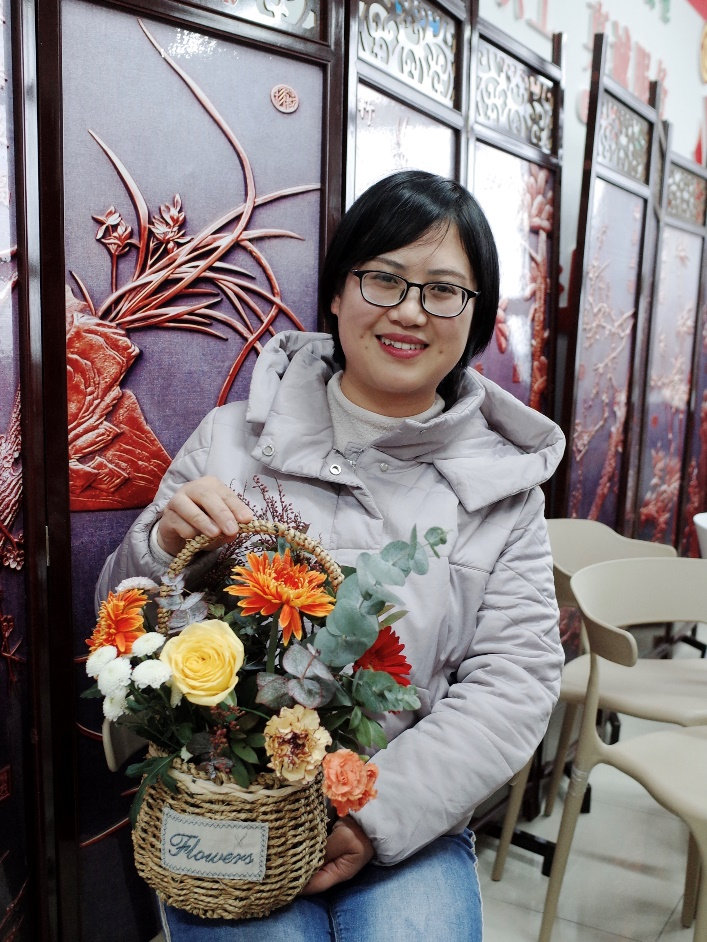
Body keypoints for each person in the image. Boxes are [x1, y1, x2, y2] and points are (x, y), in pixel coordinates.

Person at [97, 170, 565, 941]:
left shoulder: (502, 489)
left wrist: (370, 816)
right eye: (384, 278)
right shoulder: (229, 441)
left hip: (405, 807)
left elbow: (513, 682)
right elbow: (122, 624)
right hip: (231, 800)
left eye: (443, 291)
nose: (409, 311)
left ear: (476, 318)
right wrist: (158, 548)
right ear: (339, 293)